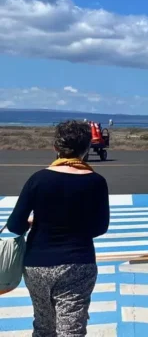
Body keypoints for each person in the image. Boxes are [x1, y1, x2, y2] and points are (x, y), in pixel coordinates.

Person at [5, 120, 110, 337]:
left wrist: (36, 222)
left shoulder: (38, 179)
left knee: (43, 326)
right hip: (77, 263)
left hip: (37, 264)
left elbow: (14, 225)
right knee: (71, 330)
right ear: (87, 148)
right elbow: (100, 227)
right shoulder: (97, 182)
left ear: (56, 148)